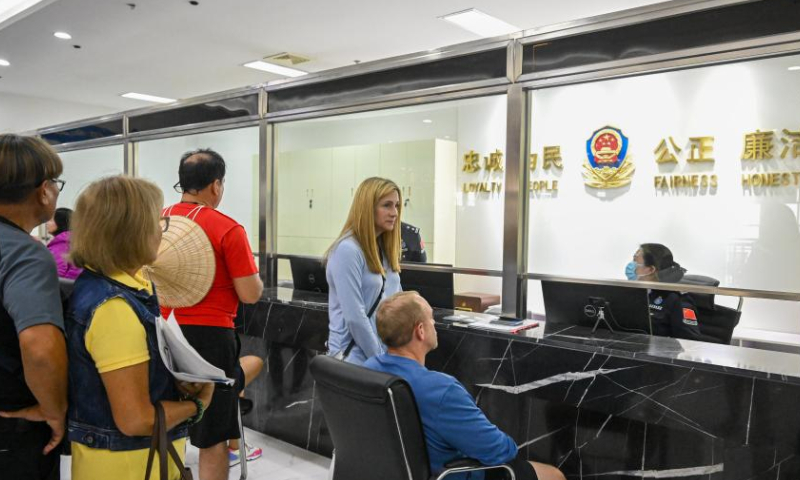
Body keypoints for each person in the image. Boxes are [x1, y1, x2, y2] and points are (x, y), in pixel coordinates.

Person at [66, 175, 214, 480]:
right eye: (156, 222)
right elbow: (136, 420)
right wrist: (196, 405)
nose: (161, 232)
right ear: (130, 232)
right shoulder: (113, 309)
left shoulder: (115, 287)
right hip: (129, 467)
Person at [365, 291, 566, 480]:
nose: (435, 323)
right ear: (420, 331)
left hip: (386, 473)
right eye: (431, 318)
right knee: (554, 475)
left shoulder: (367, 370)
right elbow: (500, 452)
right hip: (451, 474)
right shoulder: (442, 390)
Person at [161, 148, 263, 480]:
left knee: (165, 420)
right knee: (213, 434)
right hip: (209, 339)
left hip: (161, 331)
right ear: (216, 185)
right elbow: (250, 293)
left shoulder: (158, 220)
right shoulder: (227, 228)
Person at [0, 134, 68, 480]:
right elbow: (40, 348)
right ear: (44, 190)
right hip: (14, 425)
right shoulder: (24, 254)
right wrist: (53, 410)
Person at [324, 176, 403, 365]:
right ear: (368, 208)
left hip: (381, 354)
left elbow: (397, 299)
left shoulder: (383, 249)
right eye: (387, 205)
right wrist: (380, 359)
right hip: (351, 357)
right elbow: (355, 317)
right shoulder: (347, 249)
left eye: (397, 206)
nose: (394, 213)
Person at [626, 243, 702, 341]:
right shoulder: (633, 292)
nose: (631, 265)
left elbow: (691, 343)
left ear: (650, 269)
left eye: (635, 261)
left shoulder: (677, 300)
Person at [45, 207, 82, 280]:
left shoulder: (62, 243)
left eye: (51, 220)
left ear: (61, 222)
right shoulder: (70, 240)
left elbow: (58, 272)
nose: (47, 223)